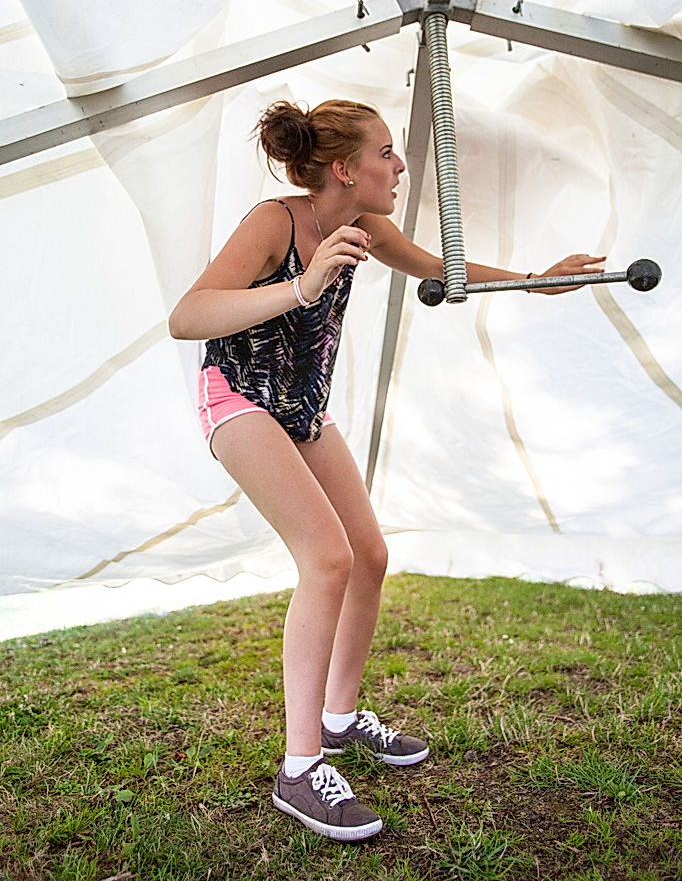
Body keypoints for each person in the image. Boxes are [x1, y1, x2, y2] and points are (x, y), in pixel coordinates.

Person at [168, 98, 605, 841]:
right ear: (345, 169)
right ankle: (299, 769)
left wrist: (535, 279)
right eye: (386, 153)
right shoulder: (275, 223)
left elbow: (440, 267)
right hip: (238, 397)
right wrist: (302, 286)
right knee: (327, 558)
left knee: (369, 554)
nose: (400, 166)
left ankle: (338, 720)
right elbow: (188, 316)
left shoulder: (367, 225)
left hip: (303, 405)